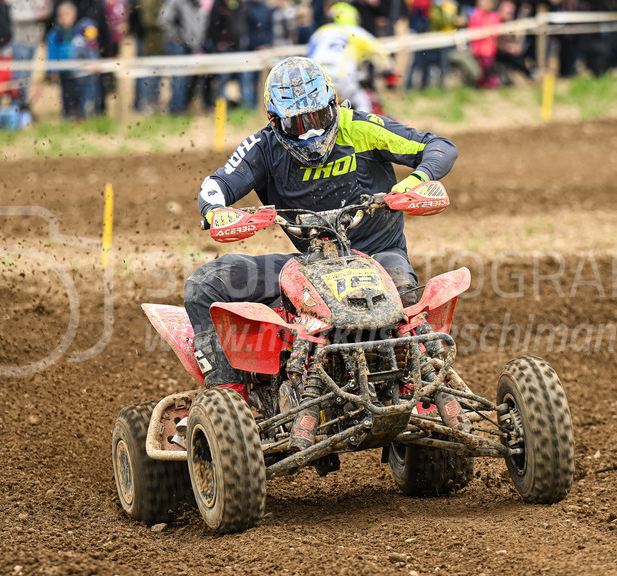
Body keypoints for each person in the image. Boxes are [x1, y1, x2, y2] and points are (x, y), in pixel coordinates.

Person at [183, 56, 458, 400]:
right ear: (274, 121)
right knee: (205, 284)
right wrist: (216, 212)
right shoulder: (264, 147)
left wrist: (416, 180)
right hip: (310, 265)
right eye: (297, 124)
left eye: (319, 118)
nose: (311, 132)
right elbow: (217, 184)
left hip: (377, 257)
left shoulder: (360, 127)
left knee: (401, 291)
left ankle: (411, 377)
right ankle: (231, 400)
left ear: (333, 104)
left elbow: (439, 146)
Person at [306, 2, 389, 113]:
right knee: (363, 104)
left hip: (314, 79)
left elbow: (309, 55)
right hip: (341, 79)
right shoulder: (357, 32)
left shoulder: (320, 32)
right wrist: (388, 72)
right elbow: (380, 53)